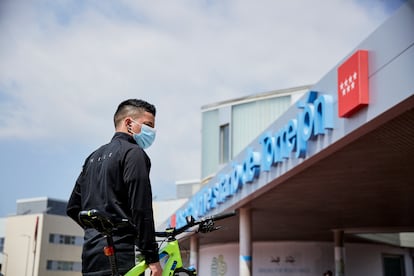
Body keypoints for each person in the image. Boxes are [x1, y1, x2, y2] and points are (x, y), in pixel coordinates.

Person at [67, 99, 162, 276]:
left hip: (91, 257)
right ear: (128, 123)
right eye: (148, 125)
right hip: (124, 255)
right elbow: (141, 209)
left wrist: (97, 230)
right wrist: (152, 259)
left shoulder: (92, 158)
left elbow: (73, 208)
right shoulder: (134, 153)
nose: (152, 132)